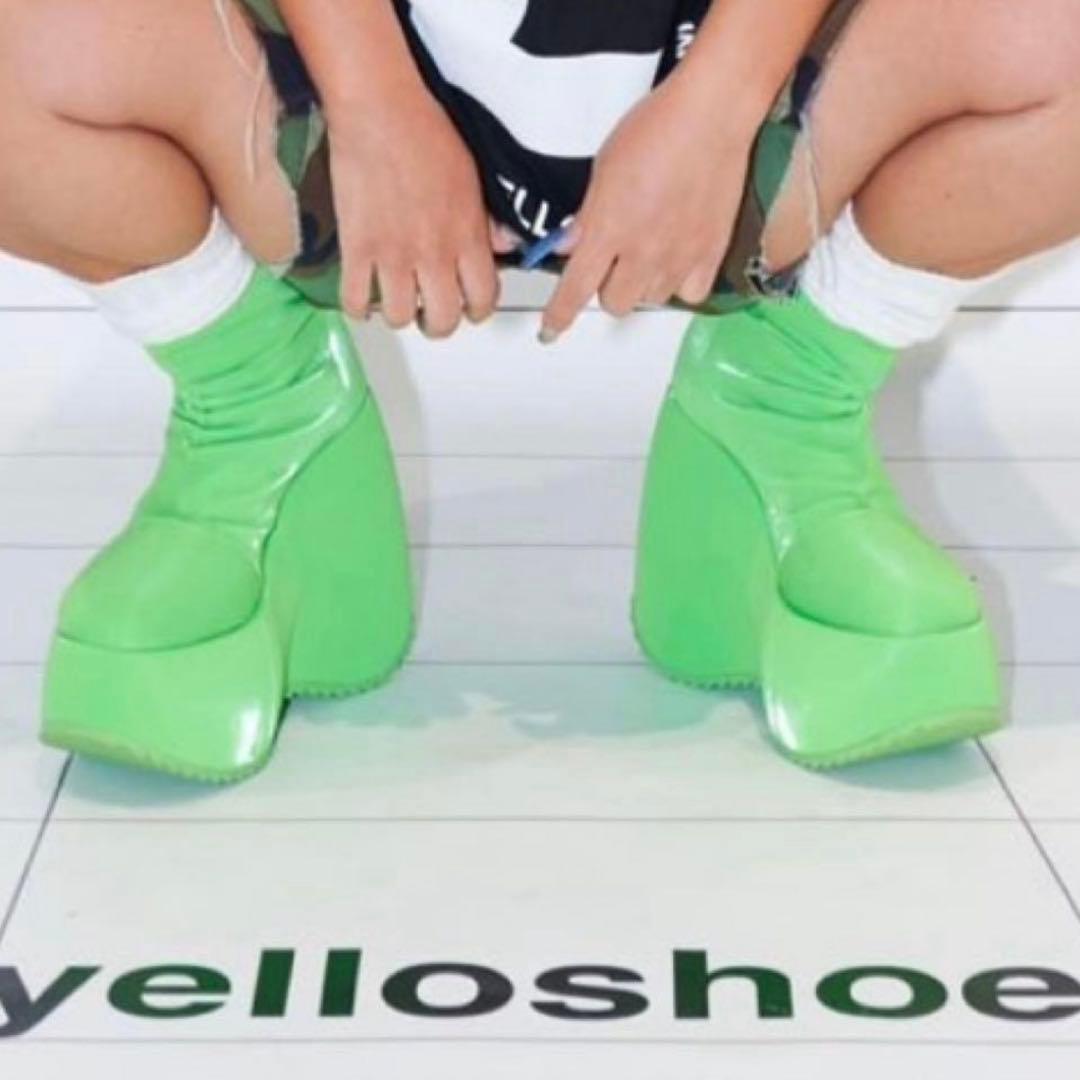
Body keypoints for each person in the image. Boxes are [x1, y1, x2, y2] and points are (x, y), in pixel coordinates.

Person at [1, 0, 1078, 779]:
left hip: (736, 73)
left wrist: (719, 103)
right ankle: (256, 408)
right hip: (342, 70)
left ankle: (790, 399)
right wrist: (372, 101)